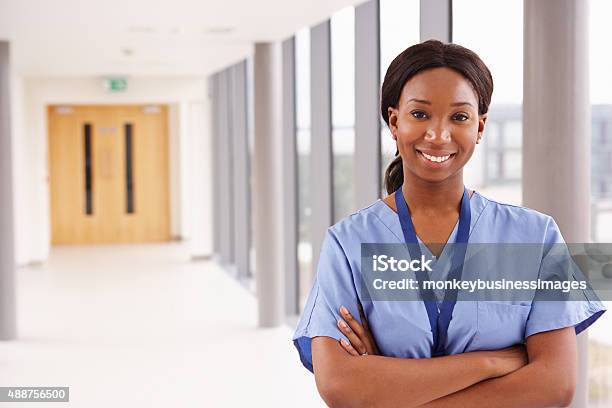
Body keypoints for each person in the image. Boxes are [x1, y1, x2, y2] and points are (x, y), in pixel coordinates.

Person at [291, 40, 606, 408]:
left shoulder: (535, 237)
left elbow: (555, 385)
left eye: (459, 117)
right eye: (420, 115)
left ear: (480, 126)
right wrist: (493, 361)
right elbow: (341, 386)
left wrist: (389, 385)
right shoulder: (348, 244)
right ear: (395, 121)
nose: (438, 135)